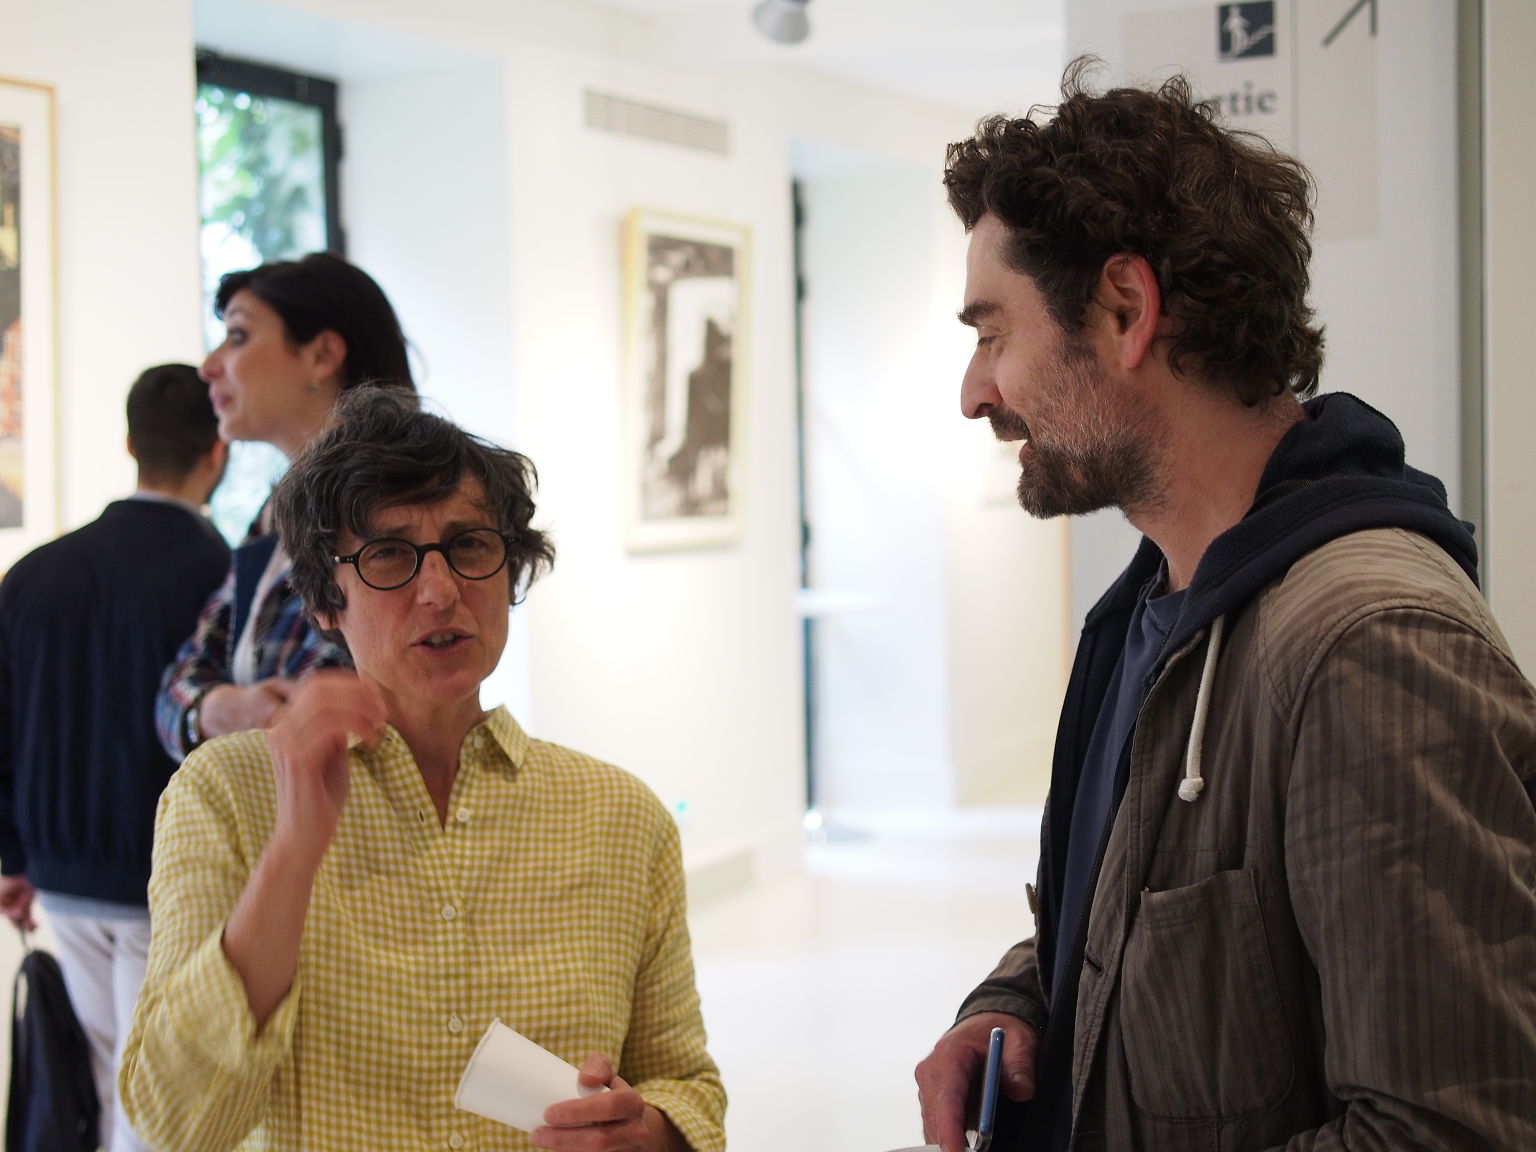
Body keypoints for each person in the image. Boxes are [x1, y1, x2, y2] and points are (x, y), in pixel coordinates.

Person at [913, 59, 1536, 1152]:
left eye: (992, 332)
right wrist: (1015, 1004)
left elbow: (1446, 1129)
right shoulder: (1154, 611)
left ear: (1124, 310)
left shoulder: (1368, 647)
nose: (975, 392)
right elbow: (1152, 928)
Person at [120, 388, 726, 1152]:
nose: (440, 591)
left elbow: (686, 1084)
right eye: (389, 555)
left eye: (469, 545)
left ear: (510, 570)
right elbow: (177, 1122)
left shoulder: (620, 816)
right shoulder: (226, 795)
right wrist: (293, 853)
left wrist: (650, 1132)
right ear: (326, 600)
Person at [0, 362, 230, 1152]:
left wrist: (12, 858)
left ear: (130, 444)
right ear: (218, 451)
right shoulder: (219, 578)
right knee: (153, 1113)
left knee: (100, 1098)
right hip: (165, 885)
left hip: (61, 879)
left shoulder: (33, 576)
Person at [155, 251, 416, 762]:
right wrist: (213, 709)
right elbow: (179, 683)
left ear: (321, 355)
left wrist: (228, 710)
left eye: (238, 336)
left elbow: (334, 711)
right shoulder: (273, 516)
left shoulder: (396, 510)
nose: (208, 367)